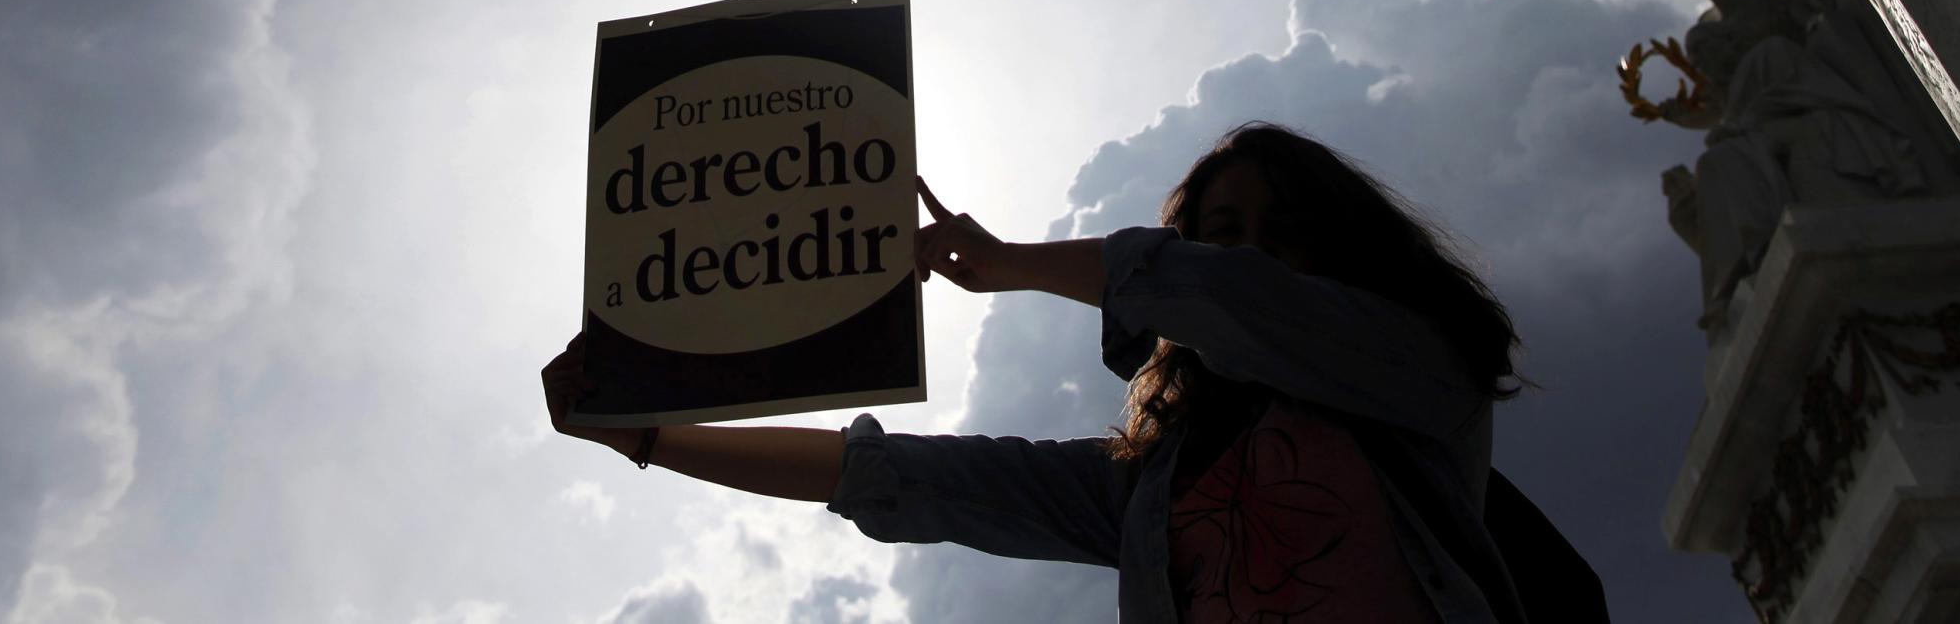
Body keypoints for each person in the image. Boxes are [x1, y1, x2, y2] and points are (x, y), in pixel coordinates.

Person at [542, 123, 1534, 623]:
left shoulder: (1415, 370)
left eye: (1286, 232)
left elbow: (1235, 303)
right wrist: (646, 435)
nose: (1249, 258)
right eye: (1223, 234)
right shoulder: (1155, 488)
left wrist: (1013, 263)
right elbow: (911, 479)